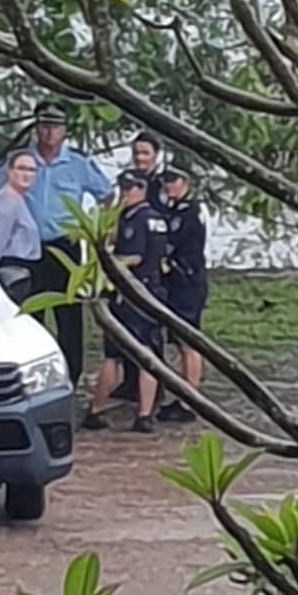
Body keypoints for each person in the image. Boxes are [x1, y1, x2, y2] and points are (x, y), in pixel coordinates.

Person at [0, 100, 113, 386]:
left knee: (69, 316)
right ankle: (33, 378)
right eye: (44, 126)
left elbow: (105, 194)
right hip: (27, 250)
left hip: (64, 246)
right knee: (30, 314)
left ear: (64, 131)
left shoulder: (78, 163)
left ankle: (70, 377)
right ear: (36, 128)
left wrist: (98, 232)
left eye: (55, 127)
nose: (49, 133)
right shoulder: (20, 161)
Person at [83, 169, 169, 434]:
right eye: (122, 188)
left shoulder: (141, 219)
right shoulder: (134, 217)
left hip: (136, 292)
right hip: (139, 292)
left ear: (142, 190)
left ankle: (142, 414)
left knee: (140, 355)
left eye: (130, 188)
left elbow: (137, 257)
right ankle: (102, 410)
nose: (124, 193)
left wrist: (109, 261)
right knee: (116, 355)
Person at [112, 131, 167, 402]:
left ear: (156, 155)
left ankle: (156, 386)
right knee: (126, 329)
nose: (140, 158)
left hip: (151, 263)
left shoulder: (161, 184)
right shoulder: (129, 183)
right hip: (127, 264)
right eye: (136, 153)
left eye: (145, 153)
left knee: (150, 333)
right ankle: (130, 380)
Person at [157, 166, 208, 424]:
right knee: (179, 342)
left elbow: (174, 242)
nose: (167, 185)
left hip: (187, 282)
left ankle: (191, 401)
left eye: (172, 180)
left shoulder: (189, 212)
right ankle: (184, 396)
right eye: (164, 180)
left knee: (188, 343)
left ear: (185, 181)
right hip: (177, 282)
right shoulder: (175, 209)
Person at [0, 151, 40, 272]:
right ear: (9, 171)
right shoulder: (7, 202)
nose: (26, 174)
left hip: (22, 268)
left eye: (31, 170)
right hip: (10, 270)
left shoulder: (18, 199)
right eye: (21, 168)